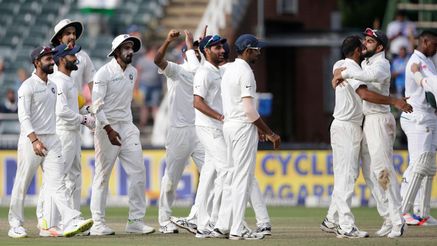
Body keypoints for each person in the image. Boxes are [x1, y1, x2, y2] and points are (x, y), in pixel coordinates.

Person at [324, 35, 413, 239]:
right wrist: (338, 74)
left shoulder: (380, 65)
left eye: (370, 42)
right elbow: (354, 79)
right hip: (361, 123)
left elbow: (365, 78)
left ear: (380, 46)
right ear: (356, 51)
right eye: (363, 42)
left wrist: (342, 73)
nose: (365, 44)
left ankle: (397, 220)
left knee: (381, 171)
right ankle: (384, 219)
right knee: (365, 174)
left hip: (378, 120)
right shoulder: (360, 63)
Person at [8, 46, 93, 238]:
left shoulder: (53, 86)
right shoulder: (27, 86)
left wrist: (84, 110)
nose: (51, 61)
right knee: (23, 182)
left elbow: (62, 109)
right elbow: (24, 116)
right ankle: (15, 224)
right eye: (46, 59)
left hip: (53, 139)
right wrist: (34, 140)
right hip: (32, 140)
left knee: (58, 183)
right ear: (36, 63)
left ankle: (70, 221)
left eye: (51, 58)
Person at [216, 34, 280, 240]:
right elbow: (250, 112)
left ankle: (224, 225)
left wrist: (258, 129)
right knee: (243, 178)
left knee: (232, 176)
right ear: (247, 51)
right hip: (242, 127)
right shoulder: (246, 73)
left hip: (229, 126)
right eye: (256, 50)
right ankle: (237, 229)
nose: (259, 53)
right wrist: (270, 133)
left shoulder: (229, 69)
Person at [90, 34, 154, 235]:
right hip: (106, 127)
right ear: (116, 51)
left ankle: (135, 220)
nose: (130, 51)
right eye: (126, 47)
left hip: (127, 126)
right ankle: (98, 223)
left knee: (138, 173)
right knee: (102, 176)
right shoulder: (103, 73)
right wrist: (108, 129)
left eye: (131, 47)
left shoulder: (133, 72)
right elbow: (96, 106)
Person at [36, 44, 99, 237]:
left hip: (73, 134)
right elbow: (61, 111)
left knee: (73, 177)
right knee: (57, 179)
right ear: (62, 59)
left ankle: (66, 222)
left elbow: (72, 108)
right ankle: (48, 223)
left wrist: (88, 111)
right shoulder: (59, 82)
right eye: (71, 55)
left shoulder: (68, 81)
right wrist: (83, 119)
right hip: (63, 134)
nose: (76, 58)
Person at [154, 29, 205, 234]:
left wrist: (199, 44)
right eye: (194, 51)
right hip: (179, 131)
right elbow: (158, 60)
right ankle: (164, 219)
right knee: (171, 179)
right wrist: (167, 40)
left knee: (212, 174)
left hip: (201, 131)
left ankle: (198, 217)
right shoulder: (177, 70)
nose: (198, 54)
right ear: (185, 54)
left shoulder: (205, 74)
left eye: (199, 52)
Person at [399, 30, 437, 226]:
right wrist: (420, 78)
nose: (436, 48)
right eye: (434, 44)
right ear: (425, 41)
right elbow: (429, 82)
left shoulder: (429, 58)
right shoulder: (417, 60)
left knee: (428, 167)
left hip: (429, 118)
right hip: (417, 119)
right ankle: (402, 211)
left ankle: (422, 213)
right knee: (418, 165)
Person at [51, 19, 95, 98]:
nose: (72, 37)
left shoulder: (83, 56)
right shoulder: (47, 58)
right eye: (68, 33)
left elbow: (92, 83)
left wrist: (96, 103)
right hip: (54, 108)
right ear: (59, 37)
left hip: (77, 107)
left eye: (74, 33)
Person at [135, 46, 163, 127]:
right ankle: (142, 122)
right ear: (150, 51)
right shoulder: (142, 60)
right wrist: (136, 86)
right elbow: (138, 73)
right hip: (144, 85)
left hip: (156, 86)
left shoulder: (157, 60)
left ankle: (157, 124)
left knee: (155, 105)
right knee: (143, 105)